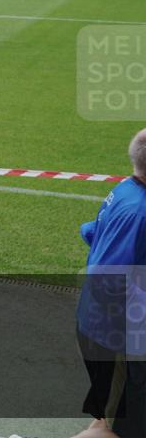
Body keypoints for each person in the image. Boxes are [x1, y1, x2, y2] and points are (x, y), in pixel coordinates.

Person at [76, 128, 146, 438]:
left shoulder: (124, 190)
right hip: (116, 334)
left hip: (104, 327)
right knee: (114, 428)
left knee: (112, 419)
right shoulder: (139, 211)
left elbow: (90, 232)